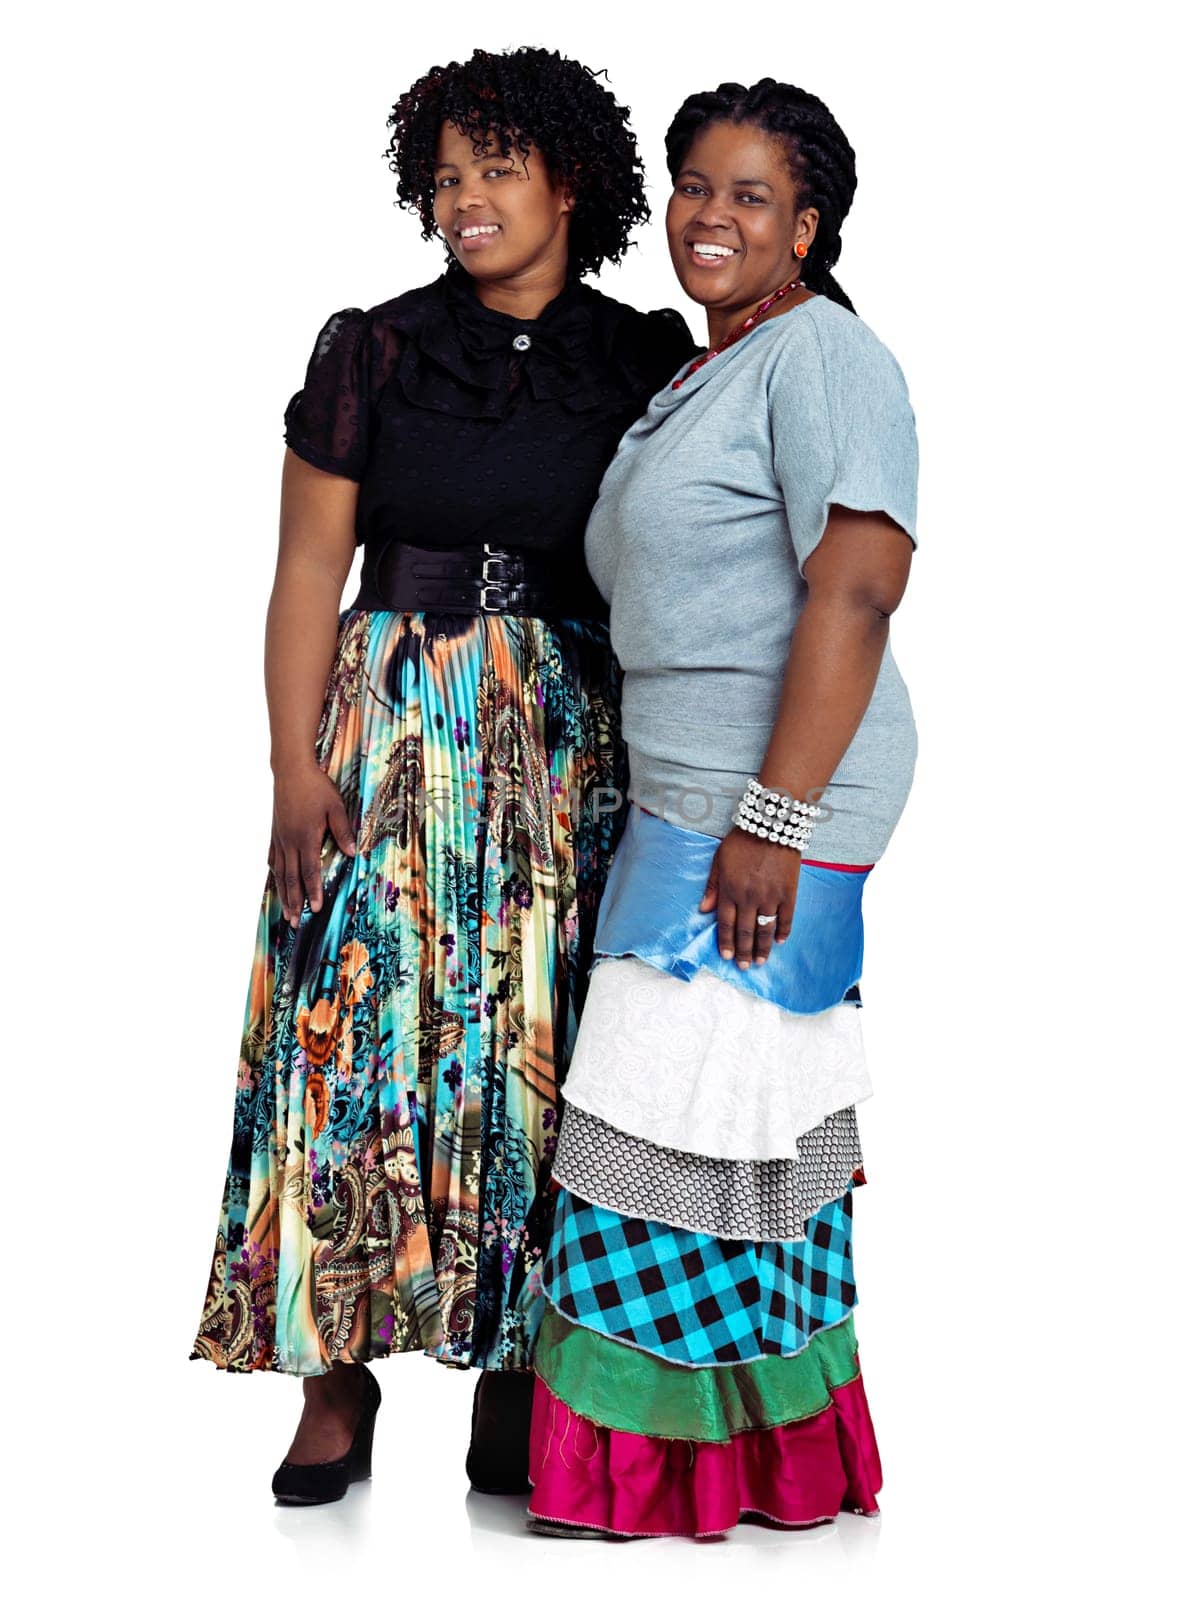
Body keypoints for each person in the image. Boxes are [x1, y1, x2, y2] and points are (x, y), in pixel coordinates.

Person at [189, 44, 697, 1507]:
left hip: (568, 734)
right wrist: (294, 769)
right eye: (447, 174)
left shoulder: (639, 355)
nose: (465, 199)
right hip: (391, 718)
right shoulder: (378, 349)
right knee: (350, 1040)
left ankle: (523, 1376)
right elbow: (303, 574)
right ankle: (332, 1384)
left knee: (544, 1042)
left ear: (573, 182)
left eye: (497, 169)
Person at [526, 78, 920, 1538]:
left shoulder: (822, 355)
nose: (709, 213)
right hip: (691, 797)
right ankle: (731, 1458)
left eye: (751, 195)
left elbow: (861, 584)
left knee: (680, 1102)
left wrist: (779, 814)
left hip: (768, 804)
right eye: (696, 184)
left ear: (807, 227)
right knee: (706, 1109)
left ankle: (678, 1467)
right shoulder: (707, 374)